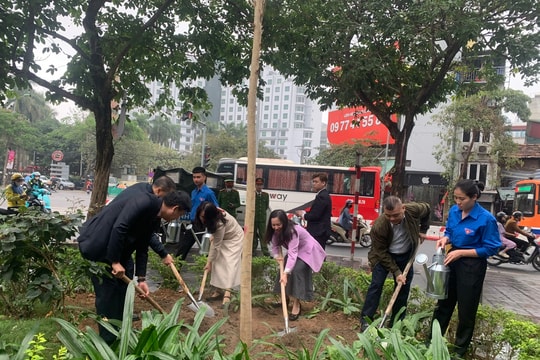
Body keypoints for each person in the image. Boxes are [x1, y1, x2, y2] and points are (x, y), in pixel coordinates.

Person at [77, 190, 191, 344]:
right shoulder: (144, 201)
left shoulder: (155, 216)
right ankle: (108, 341)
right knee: (108, 294)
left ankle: (119, 330)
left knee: (121, 291)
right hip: (98, 245)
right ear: (175, 208)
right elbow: (120, 227)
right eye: (179, 215)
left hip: (117, 249)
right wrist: (115, 261)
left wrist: (142, 278)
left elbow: (142, 246)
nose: (176, 218)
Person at [431, 179, 500, 358]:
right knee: (443, 303)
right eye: (455, 198)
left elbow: (491, 248)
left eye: (462, 199)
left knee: (466, 310)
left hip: (472, 265)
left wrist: (462, 253)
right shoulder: (454, 211)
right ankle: (433, 343)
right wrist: (445, 239)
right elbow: (450, 231)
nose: (458, 202)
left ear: (474, 197)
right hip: (452, 258)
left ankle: (459, 351)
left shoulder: (486, 219)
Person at [360, 196, 431, 330]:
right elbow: (381, 252)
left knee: (402, 289)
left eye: (396, 215)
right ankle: (366, 320)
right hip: (383, 256)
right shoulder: (379, 226)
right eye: (388, 215)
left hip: (405, 256)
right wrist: (397, 272)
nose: (392, 219)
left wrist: (423, 230)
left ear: (403, 208)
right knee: (376, 285)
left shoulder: (413, 210)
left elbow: (427, 209)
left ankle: (396, 323)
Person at [266, 209, 326, 321]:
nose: (276, 227)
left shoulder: (293, 231)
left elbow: (292, 253)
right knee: (283, 269)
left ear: (284, 222)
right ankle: (285, 299)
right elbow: (274, 246)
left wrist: (286, 273)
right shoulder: (275, 231)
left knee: (297, 271)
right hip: (295, 250)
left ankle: (297, 304)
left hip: (307, 249)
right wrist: (276, 257)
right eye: (273, 225)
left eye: (278, 224)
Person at [194, 201, 243, 307]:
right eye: (201, 216)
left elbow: (215, 246)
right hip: (224, 236)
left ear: (210, 216)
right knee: (217, 261)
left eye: (204, 217)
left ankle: (227, 293)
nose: (202, 218)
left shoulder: (219, 222)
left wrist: (208, 262)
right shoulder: (213, 211)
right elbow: (216, 241)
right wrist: (211, 261)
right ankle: (218, 290)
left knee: (230, 264)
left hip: (235, 238)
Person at [176, 166, 219, 260]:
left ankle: (210, 271)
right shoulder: (193, 192)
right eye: (194, 177)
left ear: (204, 177)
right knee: (182, 250)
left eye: (198, 177)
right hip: (192, 225)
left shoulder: (209, 193)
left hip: (203, 226)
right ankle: (174, 272)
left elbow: (216, 209)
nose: (196, 179)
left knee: (205, 251)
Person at [296, 173, 332, 250]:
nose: (314, 184)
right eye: (313, 182)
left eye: (316, 182)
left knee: (316, 254)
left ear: (323, 183)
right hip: (320, 230)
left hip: (318, 231)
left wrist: (303, 215)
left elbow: (315, 215)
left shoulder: (322, 196)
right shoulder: (322, 195)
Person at [253, 177, 270, 256]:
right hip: (253, 218)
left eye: (261, 185)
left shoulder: (265, 195)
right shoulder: (252, 194)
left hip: (262, 218)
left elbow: (266, 206)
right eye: (258, 185)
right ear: (255, 185)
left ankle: (265, 251)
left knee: (263, 234)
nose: (259, 186)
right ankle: (252, 250)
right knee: (253, 234)